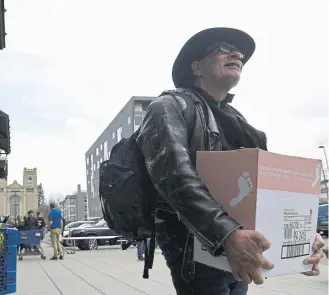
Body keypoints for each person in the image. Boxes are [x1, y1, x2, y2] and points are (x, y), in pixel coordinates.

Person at [136, 27, 326, 295]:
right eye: (222, 48)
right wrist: (228, 235)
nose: (237, 54)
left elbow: (267, 193)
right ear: (197, 67)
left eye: (239, 54)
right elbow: (175, 177)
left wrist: (301, 241)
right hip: (196, 250)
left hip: (238, 248)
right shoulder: (168, 107)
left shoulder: (239, 122)